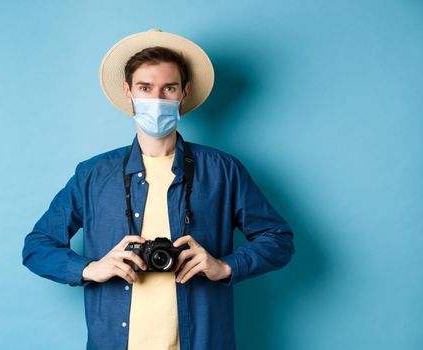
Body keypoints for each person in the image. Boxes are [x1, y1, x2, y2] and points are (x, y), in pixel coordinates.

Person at [22, 29, 294, 350]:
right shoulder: (93, 174)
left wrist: (224, 266)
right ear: (128, 91)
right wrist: (90, 269)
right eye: (145, 88)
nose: (157, 99)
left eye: (169, 88)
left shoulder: (222, 170)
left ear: (184, 92)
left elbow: (278, 240)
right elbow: (36, 247)